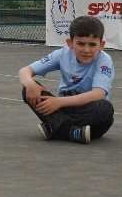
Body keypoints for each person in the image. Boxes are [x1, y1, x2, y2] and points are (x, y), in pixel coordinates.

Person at [17, 15, 115, 144]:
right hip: (64, 109)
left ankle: (57, 127)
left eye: (92, 44)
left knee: (105, 108)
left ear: (101, 45)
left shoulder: (104, 60)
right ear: (70, 43)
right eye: (80, 44)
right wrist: (30, 84)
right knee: (28, 90)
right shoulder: (61, 55)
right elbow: (25, 71)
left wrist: (59, 102)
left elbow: (98, 94)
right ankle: (72, 132)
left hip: (88, 113)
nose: (86, 50)